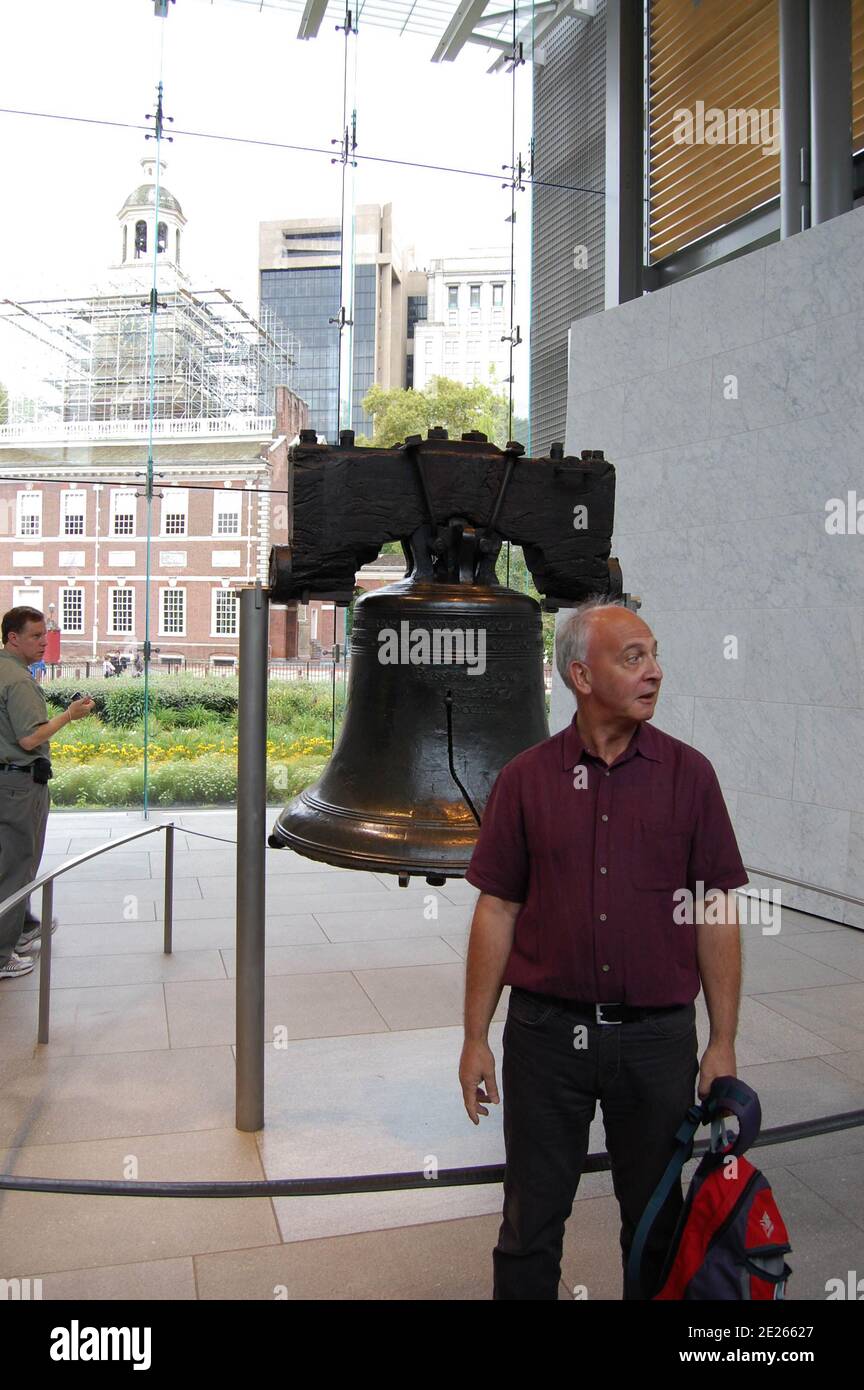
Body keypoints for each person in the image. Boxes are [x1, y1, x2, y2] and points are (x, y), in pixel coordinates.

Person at [459, 594, 748, 1300]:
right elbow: (496, 908)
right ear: (581, 677)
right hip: (545, 1039)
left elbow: (715, 909)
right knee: (529, 1228)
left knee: (655, 1226)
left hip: (655, 1044)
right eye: (633, 657)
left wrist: (723, 1042)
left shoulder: (691, 776)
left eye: (654, 656)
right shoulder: (526, 780)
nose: (654, 672)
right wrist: (474, 1038)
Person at [0, 607, 94, 979]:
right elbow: (29, 737)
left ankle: (20, 927)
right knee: (17, 865)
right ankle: (3, 951)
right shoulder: (18, 680)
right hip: (19, 785)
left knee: (11, 861)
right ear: (13, 638)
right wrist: (69, 715)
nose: (44, 642)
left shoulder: (7, 670)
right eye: (36, 636)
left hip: (9, 781)